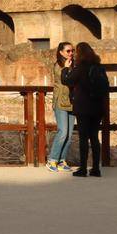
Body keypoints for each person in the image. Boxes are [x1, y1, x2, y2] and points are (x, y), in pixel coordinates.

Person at [65, 42, 109, 178]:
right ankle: (96, 169)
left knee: (84, 138)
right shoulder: (99, 67)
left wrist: (66, 69)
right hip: (97, 107)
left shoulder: (81, 67)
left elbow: (68, 81)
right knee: (95, 138)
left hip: (83, 107)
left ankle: (83, 169)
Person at [47, 42, 76, 172]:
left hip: (72, 102)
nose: (71, 53)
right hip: (60, 102)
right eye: (68, 51)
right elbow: (64, 79)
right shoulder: (58, 66)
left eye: (72, 51)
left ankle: (61, 160)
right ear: (61, 52)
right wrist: (66, 67)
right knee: (62, 132)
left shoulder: (74, 65)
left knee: (69, 135)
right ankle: (52, 160)